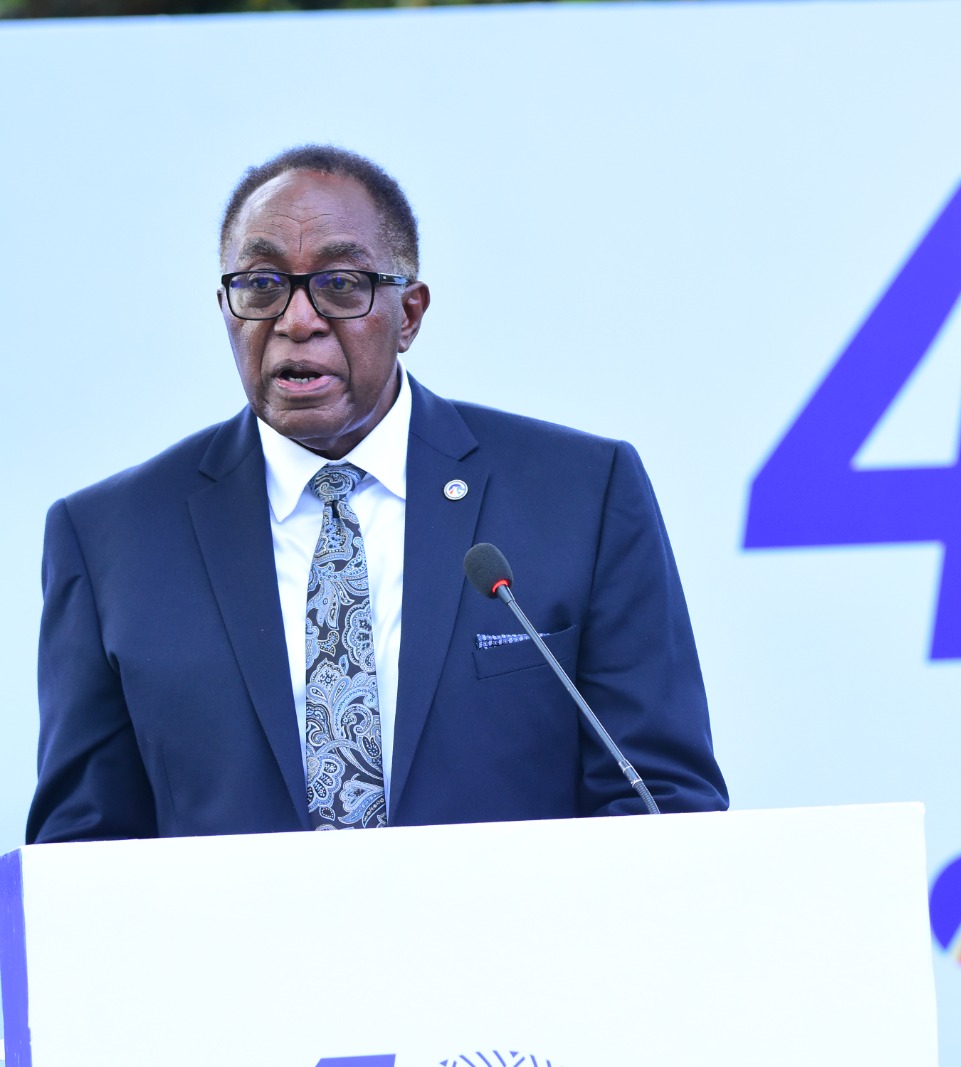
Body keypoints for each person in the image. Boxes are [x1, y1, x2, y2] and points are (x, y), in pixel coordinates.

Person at [27, 145, 728, 841]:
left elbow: (660, 799)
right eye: (263, 284)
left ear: (410, 314)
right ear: (226, 308)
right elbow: (80, 853)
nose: (296, 320)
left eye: (339, 284)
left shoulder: (580, 497)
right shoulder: (109, 542)